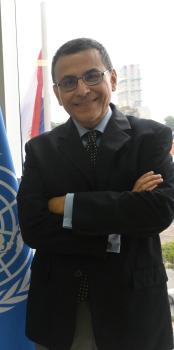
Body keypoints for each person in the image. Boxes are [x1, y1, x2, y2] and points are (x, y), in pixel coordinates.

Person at [17, 38, 174, 350]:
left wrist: (66, 205)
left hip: (133, 311)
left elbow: (158, 211)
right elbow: (33, 228)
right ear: (58, 93)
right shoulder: (40, 149)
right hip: (61, 311)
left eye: (92, 76)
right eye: (69, 82)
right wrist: (120, 216)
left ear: (112, 78)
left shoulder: (152, 137)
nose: (82, 90)